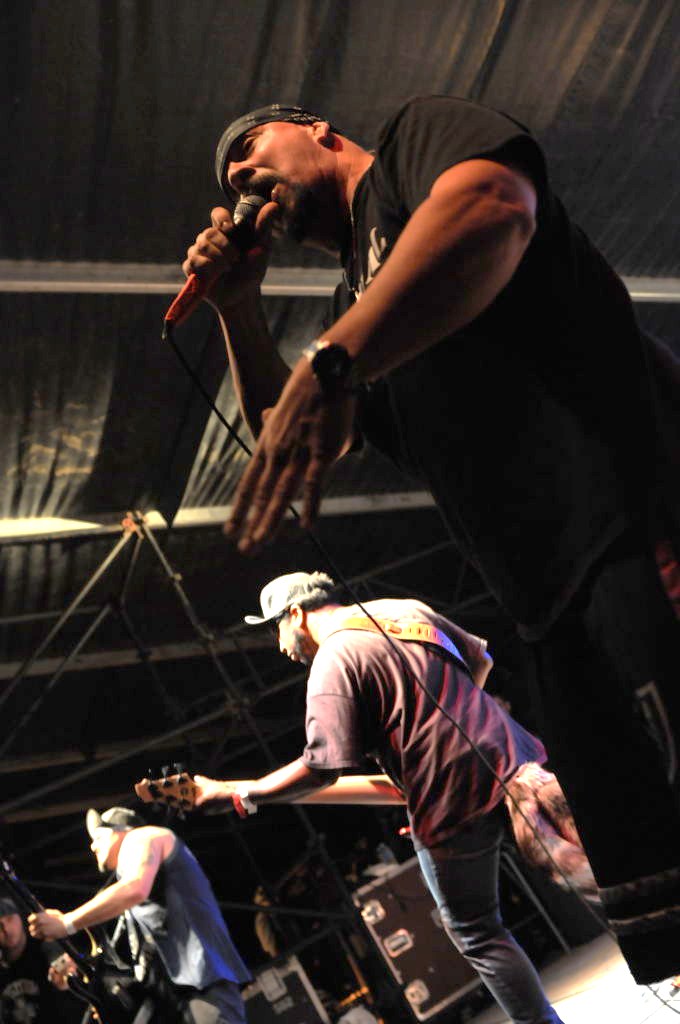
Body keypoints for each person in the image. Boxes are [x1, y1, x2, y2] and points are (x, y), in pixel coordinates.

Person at [181, 97, 680, 981]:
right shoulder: (355, 300)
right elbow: (304, 441)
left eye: (250, 150)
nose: (241, 178)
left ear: (318, 129)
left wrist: (336, 357)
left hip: (637, 523)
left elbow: (496, 205)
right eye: (229, 180)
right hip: (549, 604)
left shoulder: (412, 148)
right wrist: (238, 309)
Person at [192, 570, 566, 1024]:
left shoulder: (332, 662)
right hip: (513, 756)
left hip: (450, 804)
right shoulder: (403, 609)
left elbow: (321, 768)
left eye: (276, 629)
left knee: (476, 930)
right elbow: (480, 660)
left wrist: (239, 790)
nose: (279, 645)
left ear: (297, 614)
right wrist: (458, 732)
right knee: (588, 864)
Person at [28, 807, 250, 1024]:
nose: (92, 846)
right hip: (175, 999)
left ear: (121, 830)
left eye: (98, 836)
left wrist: (67, 923)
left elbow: (135, 888)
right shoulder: (136, 901)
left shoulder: (142, 836)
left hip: (203, 991)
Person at [0, 895, 80, 1023]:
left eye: (10, 919)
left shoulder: (47, 949)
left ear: (20, 917)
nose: (6, 929)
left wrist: (65, 982)